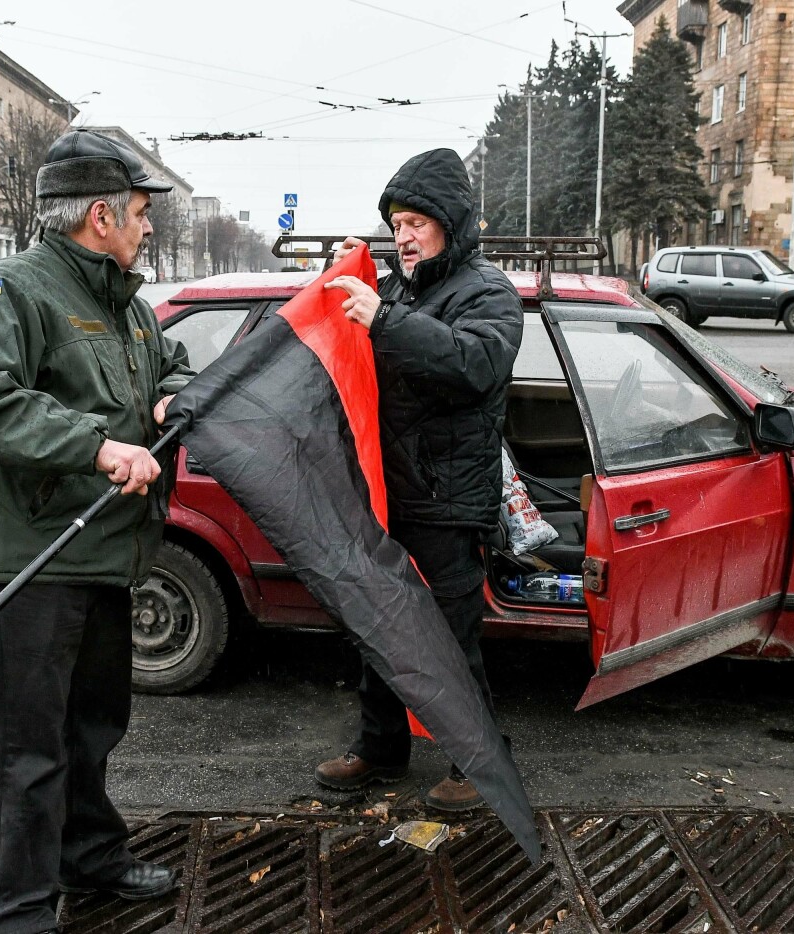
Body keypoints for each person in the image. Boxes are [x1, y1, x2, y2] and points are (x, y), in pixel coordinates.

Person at [0, 129, 195, 934]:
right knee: (28, 747)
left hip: (108, 553)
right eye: (142, 214)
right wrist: (94, 444)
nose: (148, 228)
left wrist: (170, 398)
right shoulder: (10, 291)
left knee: (92, 726)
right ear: (99, 215)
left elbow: (172, 363)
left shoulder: (130, 304)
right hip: (37, 557)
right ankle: (14, 907)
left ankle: (88, 856)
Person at [315, 148, 523, 811]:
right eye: (396, 224)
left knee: (450, 644)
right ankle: (381, 749)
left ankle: (478, 766)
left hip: (448, 502)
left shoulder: (487, 291)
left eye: (416, 224)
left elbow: (475, 364)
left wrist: (380, 315)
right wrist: (360, 272)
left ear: (450, 222)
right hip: (389, 495)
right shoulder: (403, 286)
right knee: (382, 629)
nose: (403, 237)